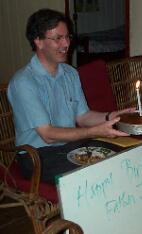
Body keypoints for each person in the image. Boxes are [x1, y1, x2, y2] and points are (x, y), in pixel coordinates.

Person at [7, 8, 133, 183]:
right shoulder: (23, 82)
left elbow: (83, 116)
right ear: (38, 41)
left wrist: (112, 116)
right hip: (37, 156)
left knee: (124, 158)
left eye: (67, 37)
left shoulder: (70, 73)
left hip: (70, 147)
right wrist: (94, 132)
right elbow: (48, 135)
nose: (66, 44)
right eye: (58, 38)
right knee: (97, 175)